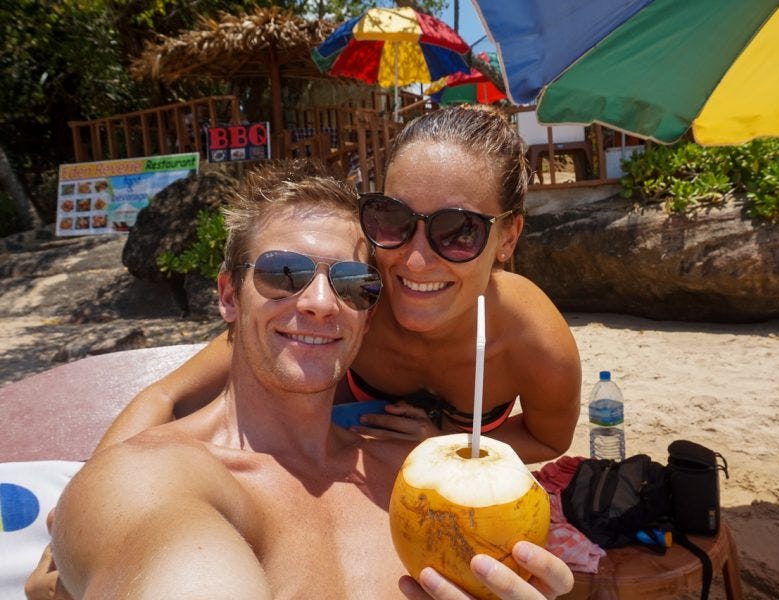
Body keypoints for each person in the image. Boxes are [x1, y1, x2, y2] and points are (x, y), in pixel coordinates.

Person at [39, 162, 574, 599]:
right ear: (229, 295)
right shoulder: (155, 479)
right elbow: (171, 554)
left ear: (370, 311)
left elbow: (548, 440)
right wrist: (78, 515)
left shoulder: (408, 481)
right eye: (283, 274)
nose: (320, 303)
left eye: (352, 283)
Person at [95, 105, 582, 466]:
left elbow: (548, 441)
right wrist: (91, 504)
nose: (413, 258)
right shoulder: (350, 288)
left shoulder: (533, 344)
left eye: (459, 231)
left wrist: (449, 446)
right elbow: (169, 397)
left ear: (507, 237)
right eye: (392, 218)